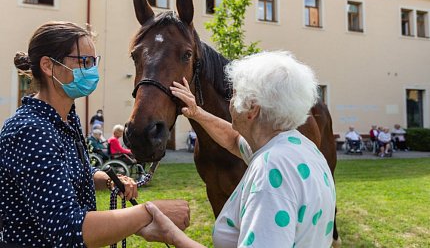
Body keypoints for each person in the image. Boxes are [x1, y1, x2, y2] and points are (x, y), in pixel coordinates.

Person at [0, 21, 189, 247]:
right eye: (84, 62)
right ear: (49, 66)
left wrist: (108, 179)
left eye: (93, 62)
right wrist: (150, 212)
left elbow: (68, 171)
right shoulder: (30, 131)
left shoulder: (65, 118)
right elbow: (69, 230)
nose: (91, 71)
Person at [140, 52, 336, 247]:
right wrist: (197, 113)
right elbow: (234, 140)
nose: (230, 102)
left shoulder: (271, 171)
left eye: (233, 95)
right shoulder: (301, 148)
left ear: (252, 108)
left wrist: (172, 235)